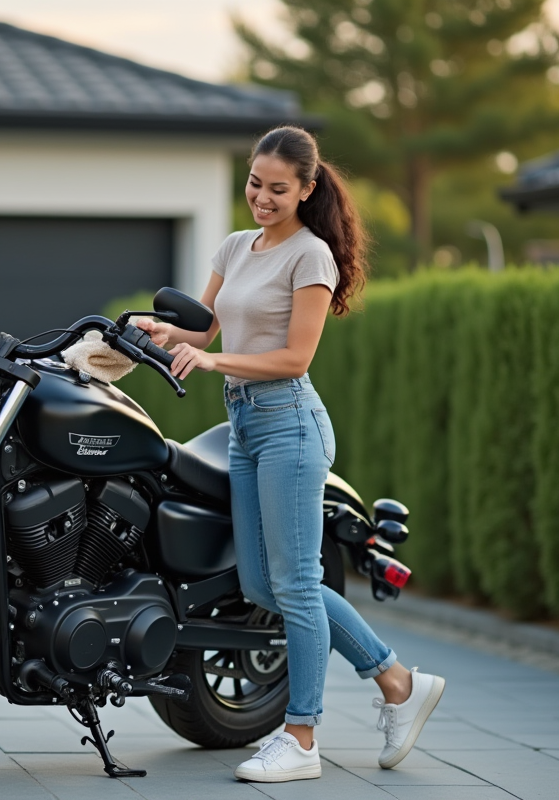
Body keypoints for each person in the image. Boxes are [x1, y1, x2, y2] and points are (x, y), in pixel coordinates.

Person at [136, 126, 445, 783]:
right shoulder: (234, 246)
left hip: (291, 427)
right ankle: (397, 681)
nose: (262, 197)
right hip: (245, 429)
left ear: (308, 189)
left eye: (279, 189)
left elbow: (294, 357)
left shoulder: (311, 257)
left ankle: (301, 737)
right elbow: (207, 325)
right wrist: (164, 331)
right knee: (260, 584)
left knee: (298, 584)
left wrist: (214, 359)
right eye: (255, 182)